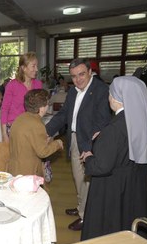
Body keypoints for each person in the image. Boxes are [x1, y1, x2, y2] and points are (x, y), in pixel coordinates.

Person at [81, 76, 147, 240]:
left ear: (117, 99)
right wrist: (102, 139)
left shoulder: (113, 129)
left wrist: (88, 157)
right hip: (133, 185)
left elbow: (101, 166)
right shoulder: (140, 121)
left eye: (110, 94)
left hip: (113, 189)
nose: (109, 97)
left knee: (109, 229)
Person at [46, 58, 111, 231]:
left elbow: (102, 122)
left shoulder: (101, 90)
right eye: (74, 76)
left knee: (86, 180)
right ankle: (81, 206)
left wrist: (90, 147)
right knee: (78, 177)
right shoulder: (74, 91)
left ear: (90, 72)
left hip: (90, 141)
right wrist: (47, 131)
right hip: (74, 138)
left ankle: (86, 216)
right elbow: (64, 114)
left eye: (81, 74)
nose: (78, 79)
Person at [9, 89, 63, 176]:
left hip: (14, 168)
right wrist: (57, 143)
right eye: (47, 104)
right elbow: (42, 152)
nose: (47, 107)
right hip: (28, 172)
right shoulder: (37, 124)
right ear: (41, 108)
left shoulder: (20, 118)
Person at [0, 52, 42, 142]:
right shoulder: (12, 85)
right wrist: (4, 134)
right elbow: (4, 109)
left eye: (37, 66)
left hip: (32, 127)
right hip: (14, 128)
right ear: (23, 68)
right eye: (33, 66)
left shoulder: (38, 85)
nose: (37, 69)